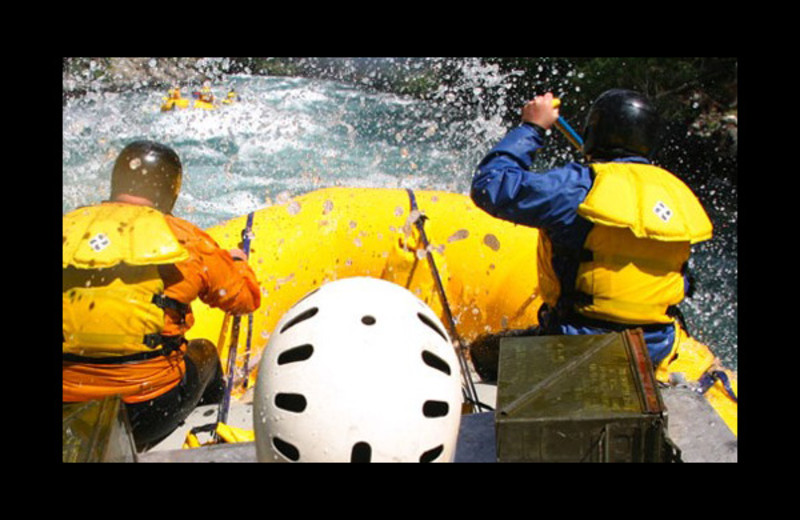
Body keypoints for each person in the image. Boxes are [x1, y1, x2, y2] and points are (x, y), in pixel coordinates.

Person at [470, 89, 713, 370]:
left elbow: (491, 184)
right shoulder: (676, 195)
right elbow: (683, 282)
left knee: (483, 353)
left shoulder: (577, 187)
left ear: (593, 133)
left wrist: (532, 127)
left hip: (575, 347)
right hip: (652, 352)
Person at [63, 140, 261, 451]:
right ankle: (208, 434)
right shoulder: (185, 238)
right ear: (172, 191)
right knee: (205, 353)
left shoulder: (69, 228)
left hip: (67, 411)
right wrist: (237, 263)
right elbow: (244, 300)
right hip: (147, 413)